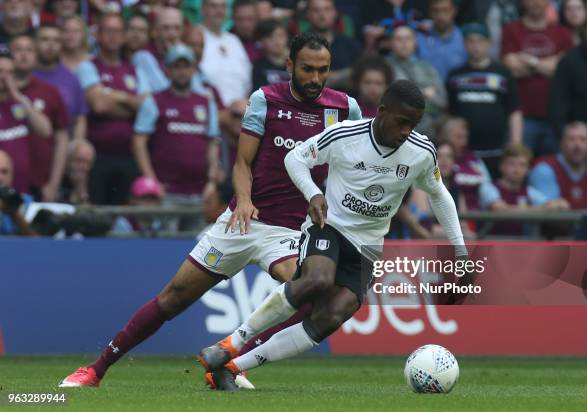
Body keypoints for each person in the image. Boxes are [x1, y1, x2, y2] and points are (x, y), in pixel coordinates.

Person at [58, 31, 361, 389]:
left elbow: (349, 168)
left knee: (313, 291)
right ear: (289, 65)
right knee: (172, 299)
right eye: (307, 69)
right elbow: (242, 163)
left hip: (291, 233)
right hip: (242, 222)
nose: (315, 79)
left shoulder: (344, 109)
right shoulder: (266, 99)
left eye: (322, 70)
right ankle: (96, 369)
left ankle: (230, 361)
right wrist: (245, 199)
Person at [200, 80, 466, 390]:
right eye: (402, 121)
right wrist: (313, 193)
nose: (407, 130)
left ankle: (231, 367)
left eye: (414, 124)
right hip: (330, 226)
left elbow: (439, 194)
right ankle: (230, 344)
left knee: (334, 314)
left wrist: (460, 251)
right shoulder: (345, 135)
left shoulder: (421, 152)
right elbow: (295, 158)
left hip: (368, 247)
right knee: (317, 280)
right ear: (382, 112)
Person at [132, 44, 222, 229]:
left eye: (186, 66)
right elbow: (139, 141)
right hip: (167, 192)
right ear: (168, 70)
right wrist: (152, 180)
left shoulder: (205, 102)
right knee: (165, 248)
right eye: (176, 67)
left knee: (194, 252)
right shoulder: (155, 100)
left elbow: (212, 142)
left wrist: (211, 181)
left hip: (199, 193)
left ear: (193, 68)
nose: (181, 72)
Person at [77, 13, 148, 205]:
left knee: (126, 218)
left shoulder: (135, 70)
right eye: (108, 31)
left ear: (124, 36)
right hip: (98, 157)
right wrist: (127, 99)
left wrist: (110, 96)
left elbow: (143, 107)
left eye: (117, 31)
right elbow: (98, 105)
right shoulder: (88, 66)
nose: (113, 36)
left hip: (129, 156)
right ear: (98, 35)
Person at [447, 23, 522, 176]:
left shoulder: (502, 73)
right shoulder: (454, 75)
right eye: (471, 41)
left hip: (497, 151)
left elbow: (514, 111)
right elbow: (450, 114)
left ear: (489, 43)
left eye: (480, 41)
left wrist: (515, 145)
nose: (476, 46)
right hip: (465, 153)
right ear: (464, 44)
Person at [501, 0, 573, 157]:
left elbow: (564, 70)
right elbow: (510, 68)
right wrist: (550, 64)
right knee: (517, 169)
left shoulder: (563, 33)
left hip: (555, 118)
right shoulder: (511, 30)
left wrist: (530, 61)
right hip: (521, 117)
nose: (536, 3)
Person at [10, 34, 70, 202]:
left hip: (38, 183)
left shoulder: (50, 92)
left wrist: (54, 184)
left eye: (29, 50)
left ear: (36, 56)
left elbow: (61, 139)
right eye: (18, 50)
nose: (24, 54)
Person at [549, 14, 587, 166]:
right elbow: (557, 104)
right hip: (580, 148)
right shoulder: (570, 61)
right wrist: (564, 139)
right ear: (586, 33)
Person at [479, 143, 569, 235]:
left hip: (519, 246)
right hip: (490, 244)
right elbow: (500, 210)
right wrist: (541, 209)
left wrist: (559, 204)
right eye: (512, 164)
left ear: (528, 170)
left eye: (522, 165)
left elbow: (551, 204)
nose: (517, 169)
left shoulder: (529, 191)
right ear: (501, 166)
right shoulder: (489, 187)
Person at [529, 121, 587, 209]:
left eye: (583, 139)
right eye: (571, 139)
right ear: (561, 144)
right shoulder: (545, 169)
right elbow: (551, 215)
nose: (577, 145)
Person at [0, 54, 52, 194]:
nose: (5, 77)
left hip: (22, 188)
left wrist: (17, 95)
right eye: (1, 71)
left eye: (10, 72)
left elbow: (45, 131)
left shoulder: (21, 104)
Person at [386, 25, 447, 136]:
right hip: (395, 129)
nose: (404, 44)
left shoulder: (428, 69)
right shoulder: (384, 67)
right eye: (399, 39)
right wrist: (424, 93)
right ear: (390, 43)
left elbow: (442, 102)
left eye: (408, 39)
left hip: (427, 130)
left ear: (415, 42)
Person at [34, 24, 88, 143]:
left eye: (56, 41)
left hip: (65, 147)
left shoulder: (71, 78)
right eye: (45, 39)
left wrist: (77, 145)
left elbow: (80, 118)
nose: (50, 45)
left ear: (61, 45)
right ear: (35, 44)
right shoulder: (25, 76)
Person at [200, 0, 252, 107]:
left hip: (240, 111)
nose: (219, 11)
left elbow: (247, 80)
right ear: (203, 9)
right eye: (213, 6)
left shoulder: (234, 40)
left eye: (223, 7)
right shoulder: (196, 36)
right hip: (209, 107)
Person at [304, 0, 361, 89]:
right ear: (307, 14)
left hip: (343, 100)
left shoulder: (351, 45)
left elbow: (357, 77)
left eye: (327, 9)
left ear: (335, 13)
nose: (322, 15)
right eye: (316, 10)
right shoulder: (298, 44)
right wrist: (345, 74)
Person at [416, 0, 467, 82]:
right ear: (430, 12)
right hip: (427, 91)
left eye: (445, 10)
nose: (440, 16)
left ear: (454, 11)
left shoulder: (464, 39)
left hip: (457, 90)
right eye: (435, 11)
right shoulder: (419, 38)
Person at [0, 150, 36, 236]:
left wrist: (14, 214)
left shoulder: (25, 202)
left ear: (12, 175)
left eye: (4, 172)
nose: (0, 177)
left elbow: (38, 241)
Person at [251, 19, 291, 91]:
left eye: (280, 35)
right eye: (270, 37)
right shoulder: (258, 67)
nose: (277, 41)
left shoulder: (296, 64)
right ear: (260, 41)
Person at [58, 139, 95, 205]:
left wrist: (81, 189)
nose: (82, 166)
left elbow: (89, 210)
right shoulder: (56, 179)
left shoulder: (94, 182)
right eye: (78, 160)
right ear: (68, 159)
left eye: (87, 163)